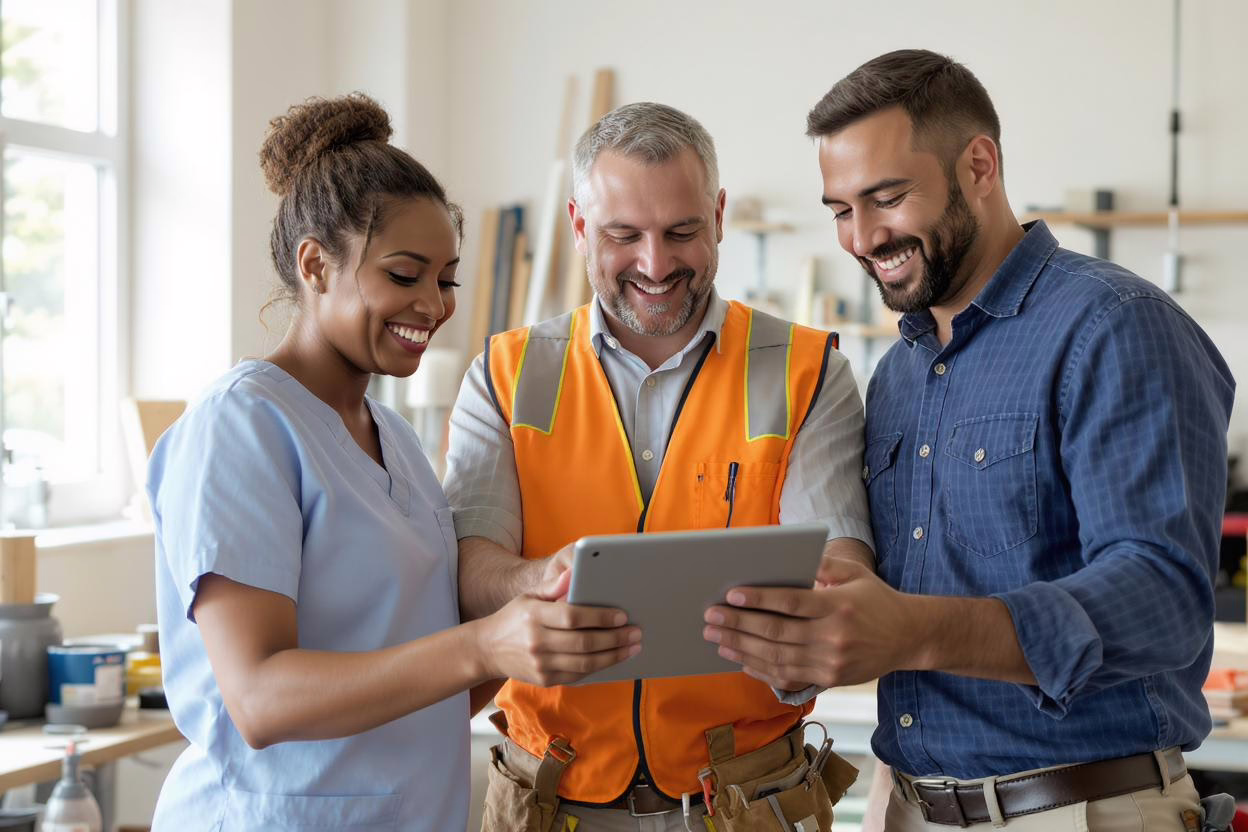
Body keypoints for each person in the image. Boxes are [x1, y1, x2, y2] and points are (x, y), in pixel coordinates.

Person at [702, 50, 1236, 831]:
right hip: (913, 805)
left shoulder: (1114, 325)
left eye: (886, 198)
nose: (861, 237)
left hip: (1081, 811)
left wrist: (914, 632)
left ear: (979, 165)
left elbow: (1162, 599)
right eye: (840, 209)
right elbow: (890, 603)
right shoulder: (898, 376)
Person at [148, 93, 638, 832]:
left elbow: (433, 681)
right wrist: (482, 642)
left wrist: (532, 630)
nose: (434, 305)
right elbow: (259, 698)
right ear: (314, 264)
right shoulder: (241, 426)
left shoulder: (395, 439)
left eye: (447, 279)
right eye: (405, 275)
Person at [443, 102, 872, 831]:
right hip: (547, 799)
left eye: (681, 232)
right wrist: (537, 582)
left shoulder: (807, 370)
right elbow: (471, 564)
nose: (654, 263)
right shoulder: (506, 372)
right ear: (579, 226)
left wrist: (814, 635)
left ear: (719, 216)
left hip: (747, 801)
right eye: (622, 236)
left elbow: (841, 566)